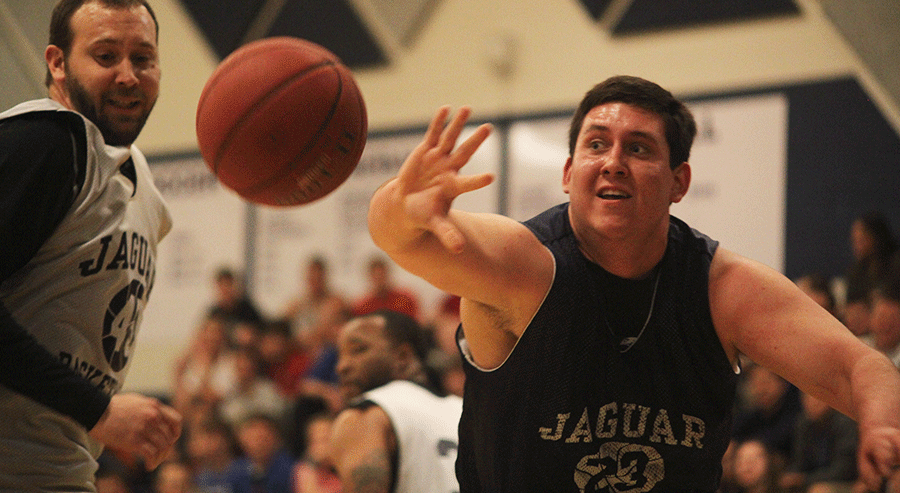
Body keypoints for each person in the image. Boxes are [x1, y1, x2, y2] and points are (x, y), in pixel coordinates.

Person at [366, 76, 900, 492]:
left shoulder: (721, 289)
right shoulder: (522, 265)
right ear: (569, 171)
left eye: (639, 149)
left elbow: (861, 368)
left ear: (679, 182)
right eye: (597, 145)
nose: (614, 162)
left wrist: (882, 430)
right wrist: (397, 205)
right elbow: (404, 240)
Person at [0, 0, 182, 489]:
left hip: (58, 471)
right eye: (106, 56)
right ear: (58, 63)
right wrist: (98, 409)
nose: (128, 76)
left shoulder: (144, 189)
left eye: (143, 59)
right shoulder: (47, 141)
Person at [328, 309, 462, 493]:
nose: (341, 366)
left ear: (403, 356)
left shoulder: (366, 414)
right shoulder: (463, 410)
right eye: (340, 355)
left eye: (358, 350)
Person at [779, 390, 858, 493]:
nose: (812, 403)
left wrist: (804, 479)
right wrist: (791, 475)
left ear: (828, 400)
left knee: (818, 490)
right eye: (807, 398)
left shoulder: (844, 422)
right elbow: (799, 461)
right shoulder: (803, 424)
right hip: (812, 480)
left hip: (847, 482)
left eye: (817, 398)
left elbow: (844, 470)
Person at [352, 256, 421, 321]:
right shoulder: (362, 307)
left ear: (387, 274)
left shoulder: (406, 300)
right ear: (370, 277)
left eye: (382, 275)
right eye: (376, 277)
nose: (379, 280)